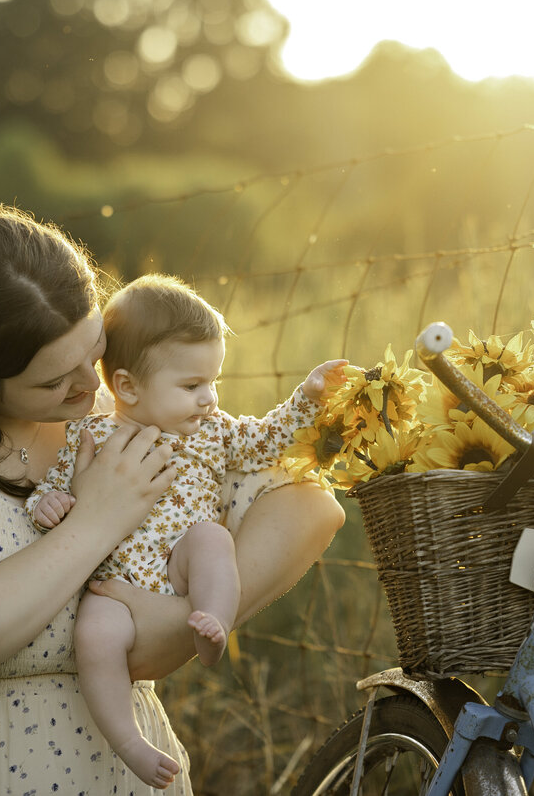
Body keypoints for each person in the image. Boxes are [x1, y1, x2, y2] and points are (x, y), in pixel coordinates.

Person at [0, 205, 346, 795]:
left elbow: (306, 505)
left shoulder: (122, 412)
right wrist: (98, 520)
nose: (90, 385)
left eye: (96, 351)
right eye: (55, 381)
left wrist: (181, 625)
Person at [27, 274, 345, 786]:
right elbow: (57, 482)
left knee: (213, 540)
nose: (209, 399)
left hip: (179, 559)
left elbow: (266, 441)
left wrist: (307, 398)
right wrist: (51, 502)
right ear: (127, 386)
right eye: (192, 386)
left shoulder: (215, 432)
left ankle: (213, 620)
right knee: (95, 636)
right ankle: (128, 740)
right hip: (113, 581)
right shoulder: (95, 433)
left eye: (213, 381)